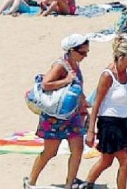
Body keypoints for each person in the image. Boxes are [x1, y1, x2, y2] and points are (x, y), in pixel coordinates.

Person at [81, 37, 127, 189]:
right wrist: (91, 131)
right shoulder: (107, 76)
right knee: (126, 161)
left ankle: (86, 185)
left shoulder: (126, 71)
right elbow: (97, 104)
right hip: (109, 124)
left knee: (106, 161)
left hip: (122, 123)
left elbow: (126, 90)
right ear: (121, 57)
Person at [25, 34, 90, 189]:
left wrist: (83, 103)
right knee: (50, 152)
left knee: (77, 150)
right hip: (54, 117)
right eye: (82, 52)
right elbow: (45, 84)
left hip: (73, 115)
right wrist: (66, 80)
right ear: (71, 50)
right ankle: (30, 182)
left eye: (87, 52)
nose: (85, 56)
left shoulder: (74, 64)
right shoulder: (60, 65)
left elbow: (76, 88)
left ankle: (69, 184)